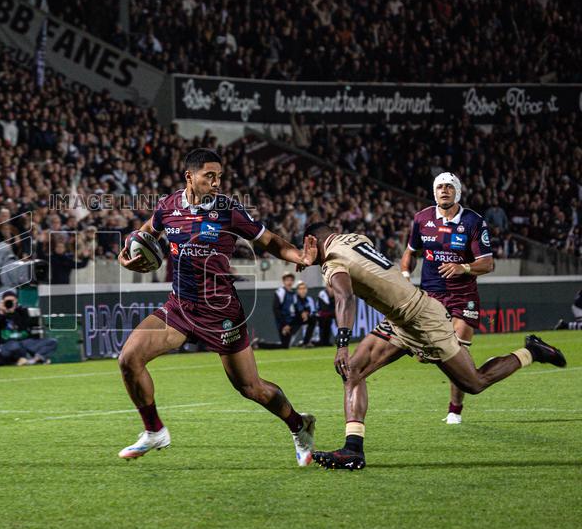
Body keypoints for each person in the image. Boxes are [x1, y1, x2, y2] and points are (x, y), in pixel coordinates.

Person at [303, 222, 566, 471]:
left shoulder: (332, 261)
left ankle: (531, 351)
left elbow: (345, 297)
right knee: (353, 370)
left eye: (305, 248)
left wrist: (342, 344)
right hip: (399, 320)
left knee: (474, 382)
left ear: (312, 241)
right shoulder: (357, 238)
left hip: (422, 319)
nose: (305, 256)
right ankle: (353, 449)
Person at [115, 148, 318, 464]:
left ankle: (299, 425)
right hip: (179, 308)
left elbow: (271, 241)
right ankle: (154, 430)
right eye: (209, 176)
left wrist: (299, 257)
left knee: (251, 388)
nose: (216, 182)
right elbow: (143, 235)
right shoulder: (168, 206)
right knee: (128, 358)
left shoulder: (229, 210)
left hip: (221, 312)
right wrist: (127, 256)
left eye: (219, 176)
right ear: (190, 177)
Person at [400, 172, 494, 425]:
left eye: (449, 187)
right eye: (439, 187)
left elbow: (487, 264)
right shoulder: (422, 219)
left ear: (457, 192)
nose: (444, 191)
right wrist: (405, 276)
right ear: (434, 192)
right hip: (431, 295)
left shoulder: (474, 221)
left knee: (456, 353)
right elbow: (409, 253)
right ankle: (493, 367)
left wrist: (463, 268)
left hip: (463, 295)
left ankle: (455, 409)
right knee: (423, 355)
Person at [0, 289, 57, 365]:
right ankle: (28, 359)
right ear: (3, 302)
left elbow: (25, 327)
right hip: (7, 344)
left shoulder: (22, 311)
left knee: (52, 342)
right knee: (14, 346)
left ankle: (34, 360)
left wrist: (13, 312)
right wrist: (1, 313)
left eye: (12, 301)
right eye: (7, 301)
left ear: (16, 301)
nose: (9, 303)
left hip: (25, 342)